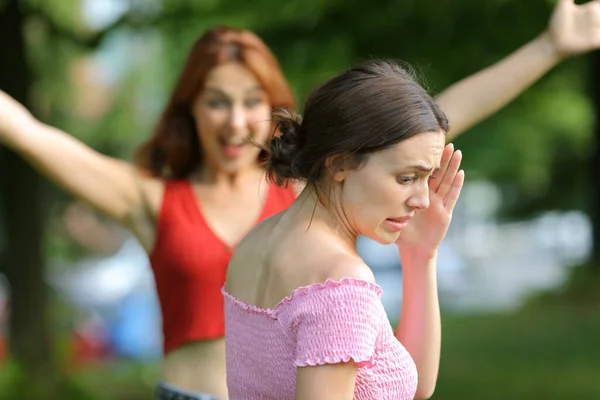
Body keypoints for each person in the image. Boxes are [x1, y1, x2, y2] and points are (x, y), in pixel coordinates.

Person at [0, 1, 599, 397]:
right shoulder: (156, 199)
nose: (236, 121)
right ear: (189, 110)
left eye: (251, 100)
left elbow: (424, 128)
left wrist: (548, 47)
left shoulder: (296, 193)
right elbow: (34, 134)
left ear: (276, 112)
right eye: (216, 101)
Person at [223, 59, 463, 400]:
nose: (423, 200)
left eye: (428, 177)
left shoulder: (252, 244)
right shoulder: (340, 281)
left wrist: (420, 253)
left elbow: (416, 387)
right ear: (339, 164)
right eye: (407, 178)